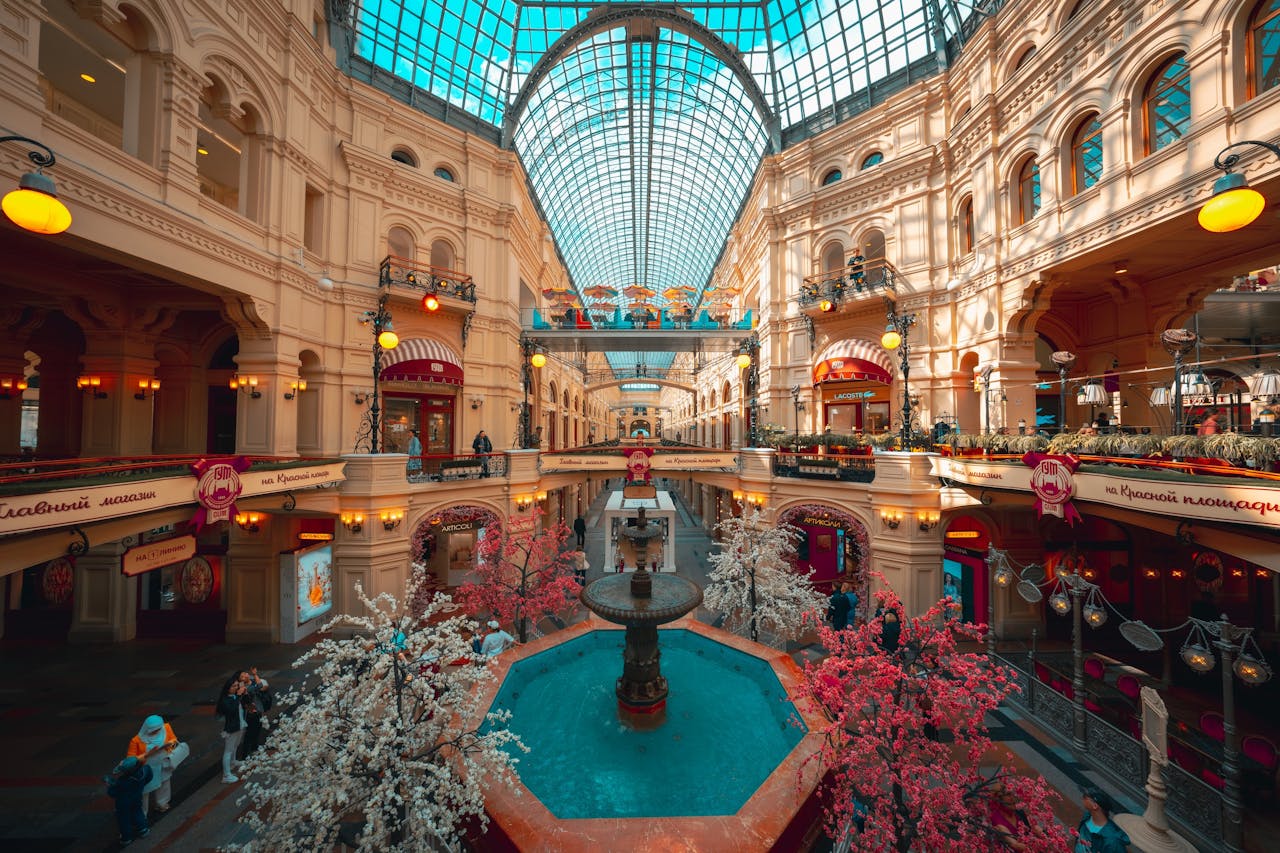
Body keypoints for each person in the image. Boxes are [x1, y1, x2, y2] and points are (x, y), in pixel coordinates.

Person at [127, 714, 179, 814]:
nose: (158, 731)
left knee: (164, 782)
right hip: (147, 768)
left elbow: (174, 740)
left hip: (163, 763)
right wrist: (147, 754)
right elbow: (130, 760)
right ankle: (142, 812)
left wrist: (170, 745)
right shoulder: (136, 740)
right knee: (145, 789)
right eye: (154, 729)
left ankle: (162, 803)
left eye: (159, 728)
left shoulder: (166, 728)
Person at [106, 756, 152, 846]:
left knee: (124, 819)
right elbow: (149, 777)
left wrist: (110, 786)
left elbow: (112, 793)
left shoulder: (122, 782)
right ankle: (143, 830)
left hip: (123, 803)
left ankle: (126, 838)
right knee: (138, 812)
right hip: (137, 797)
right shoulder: (145, 770)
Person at [1074, 787, 1130, 852]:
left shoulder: (1113, 842)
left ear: (1095, 806)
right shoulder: (1088, 816)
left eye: (1085, 798)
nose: (1082, 799)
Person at [217, 674, 247, 783]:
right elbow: (232, 710)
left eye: (236, 686)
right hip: (232, 728)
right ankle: (226, 775)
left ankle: (233, 762)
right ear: (228, 688)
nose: (236, 688)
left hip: (240, 724)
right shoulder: (225, 700)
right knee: (228, 751)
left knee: (235, 746)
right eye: (233, 686)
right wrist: (239, 696)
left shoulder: (234, 697)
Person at [239, 668, 271, 758]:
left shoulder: (252, 682)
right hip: (250, 712)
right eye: (242, 676)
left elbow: (263, 686)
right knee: (250, 732)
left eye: (245, 673)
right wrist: (255, 674)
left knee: (257, 730)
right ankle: (245, 754)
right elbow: (260, 686)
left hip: (258, 710)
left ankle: (254, 748)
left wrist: (255, 675)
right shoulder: (244, 687)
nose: (245, 675)